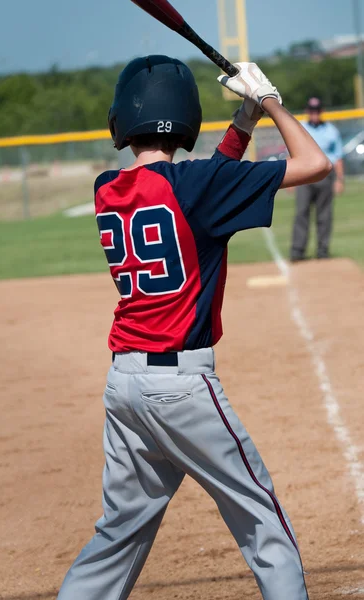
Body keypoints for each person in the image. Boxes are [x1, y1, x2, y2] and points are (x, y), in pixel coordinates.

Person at [57, 57, 331, 600]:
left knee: (118, 532)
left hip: (125, 387)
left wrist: (244, 124)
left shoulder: (107, 187)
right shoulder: (197, 185)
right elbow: (314, 163)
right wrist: (270, 101)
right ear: (186, 116)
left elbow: (204, 186)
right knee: (261, 519)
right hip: (181, 388)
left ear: (122, 119)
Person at [290, 97, 344, 261]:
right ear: (307, 111)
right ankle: (298, 251)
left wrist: (340, 180)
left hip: (325, 176)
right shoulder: (301, 128)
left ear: (322, 111)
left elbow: (338, 157)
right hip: (304, 177)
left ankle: (323, 250)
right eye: (312, 110)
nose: (314, 113)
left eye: (317, 110)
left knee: (324, 214)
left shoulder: (331, 131)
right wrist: (290, 180)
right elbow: (291, 152)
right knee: (301, 212)